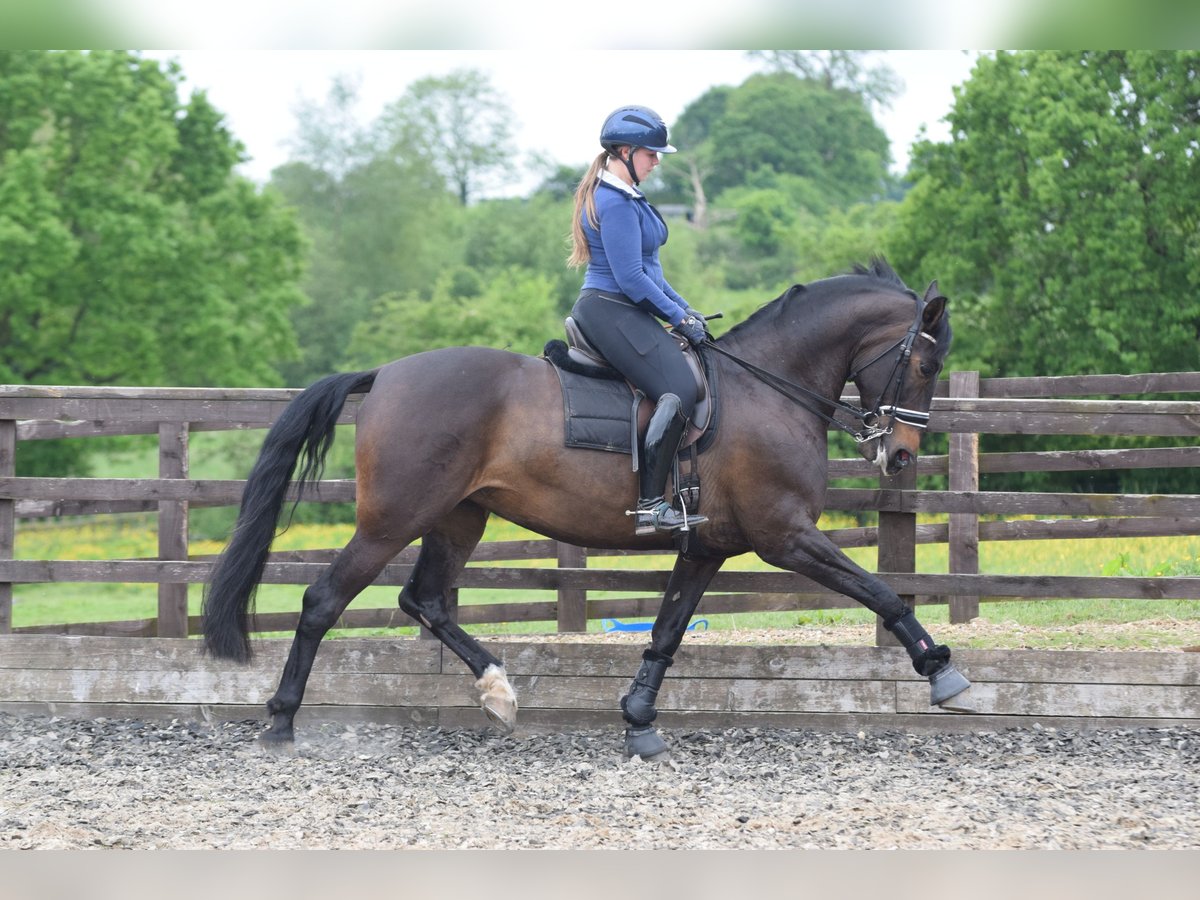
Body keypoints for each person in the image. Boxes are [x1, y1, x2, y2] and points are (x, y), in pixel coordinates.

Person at [567, 105, 709, 536]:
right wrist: (679, 320)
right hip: (609, 307)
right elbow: (630, 279)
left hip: (625, 305)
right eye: (651, 153)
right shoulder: (614, 202)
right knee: (682, 388)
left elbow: (652, 273)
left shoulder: (630, 197)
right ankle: (650, 505)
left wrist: (686, 311)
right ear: (624, 152)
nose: (657, 160)